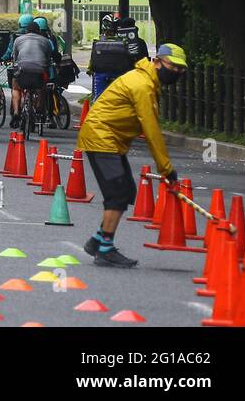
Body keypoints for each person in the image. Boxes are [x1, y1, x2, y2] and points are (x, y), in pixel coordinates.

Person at [76, 43, 187, 268]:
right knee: (117, 194)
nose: (175, 72)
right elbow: (151, 129)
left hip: (109, 140)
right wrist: (167, 169)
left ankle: (97, 241)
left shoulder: (147, 81)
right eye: (172, 66)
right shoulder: (142, 86)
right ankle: (105, 249)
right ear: (157, 62)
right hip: (101, 139)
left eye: (180, 70)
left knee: (126, 191)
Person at [6, 14, 52, 128]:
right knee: (42, 87)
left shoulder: (18, 39)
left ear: (26, 30)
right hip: (39, 71)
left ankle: (16, 111)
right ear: (39, 31)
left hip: (23, 70)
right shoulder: (45, 41)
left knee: (16, 88)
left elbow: (15, 58)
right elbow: (48, 58)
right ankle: (39, 108)